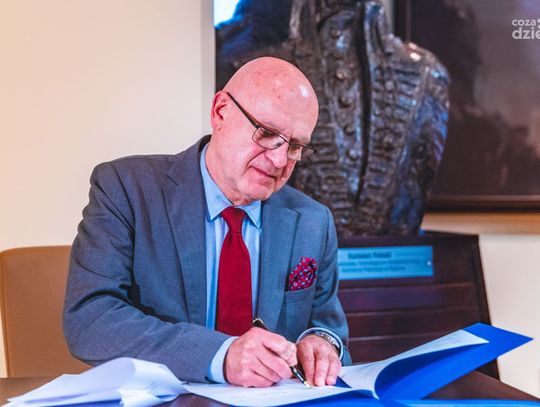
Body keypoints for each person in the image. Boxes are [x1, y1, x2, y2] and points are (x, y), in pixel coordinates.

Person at [63, 57, 351, 388]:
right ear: (220, 112)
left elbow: (327, 327)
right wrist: (220, 356)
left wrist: (322, 344)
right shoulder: (127, 189)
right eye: (267, 133)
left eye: (296, 146)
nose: (278, 160)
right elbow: (91, 319)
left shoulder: (313, 221)